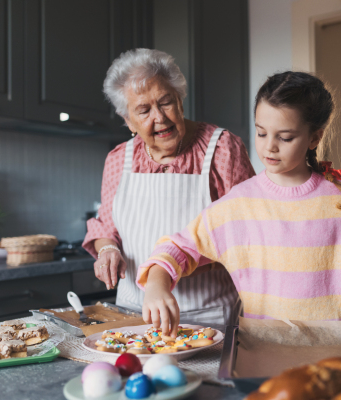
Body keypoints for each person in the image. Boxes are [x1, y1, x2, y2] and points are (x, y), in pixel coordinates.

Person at [136, 71, 341, 336]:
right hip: (268, 350)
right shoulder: (239, 205)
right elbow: (177, 248)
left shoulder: (340, 196)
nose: (269, 146)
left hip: (340, 347)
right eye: (261, 133)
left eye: (285, 137)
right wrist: (157, 285)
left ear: (315, 137)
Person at [82, 49, 255, 326]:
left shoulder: (222, 148)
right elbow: (106, 227)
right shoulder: (118, 159)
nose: (159, 118)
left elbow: (244, 234)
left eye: (165, 102)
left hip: (208, 316)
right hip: (132, 315)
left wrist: (161, 275)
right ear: (127, 120)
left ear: (180, 100)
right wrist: (107, 251)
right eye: (143, 110)